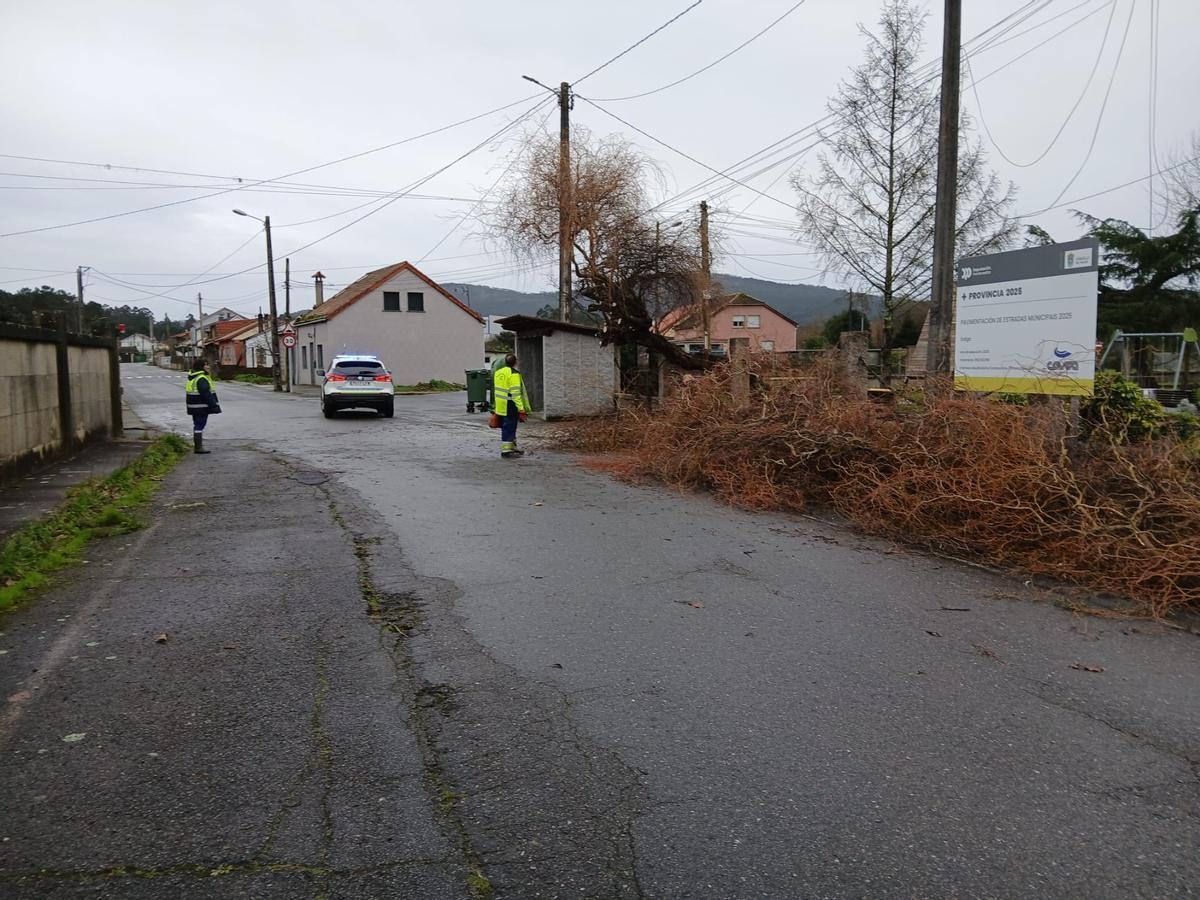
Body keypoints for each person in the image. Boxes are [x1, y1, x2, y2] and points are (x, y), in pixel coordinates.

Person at [492, 353, 528, 459]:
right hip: (510, 404)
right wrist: (521, 408)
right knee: (509, 426)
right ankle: (506, 450)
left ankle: (512, 447)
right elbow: (515, 393)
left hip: (500, 404)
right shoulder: (514, 374)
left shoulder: (498, 372)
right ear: (515, 362)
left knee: (507, 426)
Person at [185, 359, 221, 454]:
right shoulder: (201, 378)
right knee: (200, 425)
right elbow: (206, 394)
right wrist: (214, 406)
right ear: (201, 367)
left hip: (194, 406)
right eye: (206, 365)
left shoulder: (193, 376)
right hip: (201, 407)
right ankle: (198, 447)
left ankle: (198, 446)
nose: (208, 366)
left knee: (197, 424)